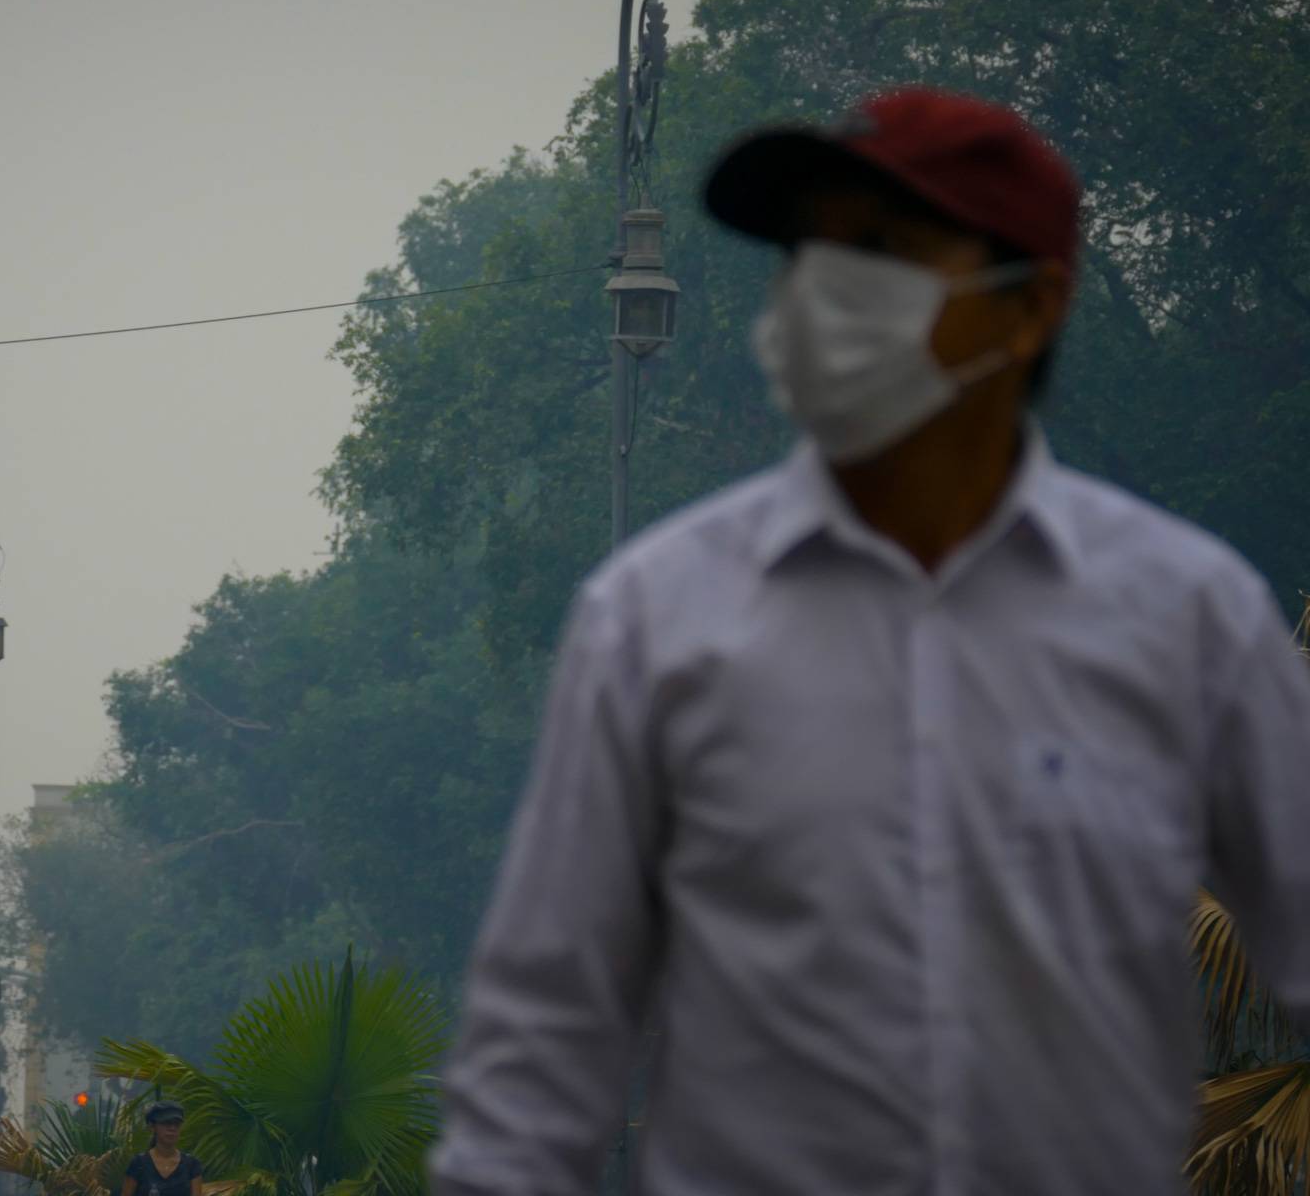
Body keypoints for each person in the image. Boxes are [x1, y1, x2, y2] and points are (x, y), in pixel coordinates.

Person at [429, 86, 1310, 1196]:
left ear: (1029, 306)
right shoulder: (654, 620)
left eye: (885, 250)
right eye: (808, 253)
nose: (824, 295)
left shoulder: (1189, 619)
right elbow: (541, 1047)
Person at [121, 1100, 203, 1196]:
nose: (172, 1128)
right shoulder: (138, 1164)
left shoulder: (192, 1165)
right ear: (152, 1127)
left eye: (176, 1124)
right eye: (166, 1123)